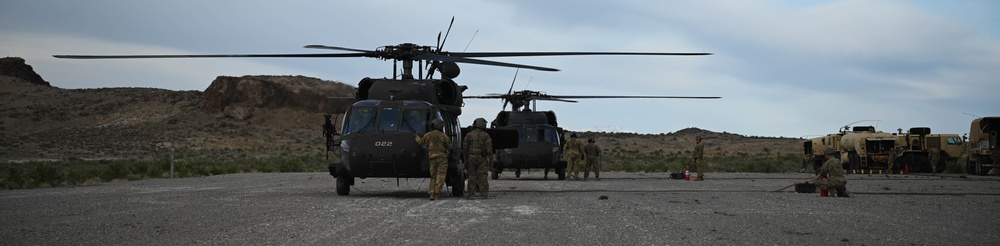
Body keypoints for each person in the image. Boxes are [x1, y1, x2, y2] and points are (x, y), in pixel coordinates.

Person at [415, 119, 452, 200]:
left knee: (433, 177)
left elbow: (420, 142)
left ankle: (431, 193)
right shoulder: (444, 136)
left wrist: (416, 136)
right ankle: (437, 192)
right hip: (442, 159)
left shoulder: (428, 135)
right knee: (441, 176)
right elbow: (450, 147)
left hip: (432, 158)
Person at [463, 118, 493, 199]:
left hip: (471, 158)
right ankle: (484, 194)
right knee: (483, 176)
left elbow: (465, 149)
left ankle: (471, 194)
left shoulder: (469, 135)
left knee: (472, 176)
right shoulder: (486, 135)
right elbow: (489, 150)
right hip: (482, 158)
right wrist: (491, 162)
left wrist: (465, 161)